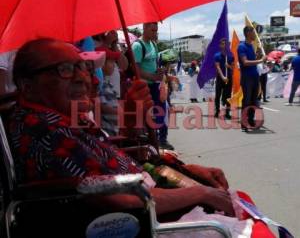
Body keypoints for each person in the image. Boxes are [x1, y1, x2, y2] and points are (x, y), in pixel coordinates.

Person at [9, 38, 234, 216]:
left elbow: (116, 154)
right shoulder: (45, 130)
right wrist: (199, 192)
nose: (83, 78)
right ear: (27, 86)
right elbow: (122, 199)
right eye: (64, 70)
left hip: (148, 188)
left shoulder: (67, 116)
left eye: (83, 67)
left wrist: (181, 171)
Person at [132, 22, 174, 151]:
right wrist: (152, 77)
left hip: (156, 86)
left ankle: (162, 139)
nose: (155, 33)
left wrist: (160, 71)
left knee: (162, 111)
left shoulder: (153, 44)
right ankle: (152, 142)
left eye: (156, 31)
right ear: (144, 28)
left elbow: (155, 64)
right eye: (153, 30)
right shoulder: (137, 46)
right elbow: (136, 70)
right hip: (144, 88)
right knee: (149, 116)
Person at [238, 26, 266, 131]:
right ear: (248, 33)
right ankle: (244, 123)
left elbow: (253, 61)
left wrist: (259, 54)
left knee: (254, 100)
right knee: (247, 101)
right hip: (247, 78)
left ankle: (250, 120)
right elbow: (245, 62)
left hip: (255, 77)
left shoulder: (251, 47)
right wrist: (260, 60)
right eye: (253, 32)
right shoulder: (241, 46)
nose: (255, 34)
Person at [214, 38, 234, 119]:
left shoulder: (231, 55)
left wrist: (228, 66)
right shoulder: (217, 55)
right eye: (222, 43)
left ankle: (227, 112)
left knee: (228, 96)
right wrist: (223, 77)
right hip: (220, 78)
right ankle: (217, 110)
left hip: (229, 78)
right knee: (217, 95)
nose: (224, 45)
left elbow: (233, 67)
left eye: (225, 43)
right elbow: (218, 67)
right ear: (220, 45)